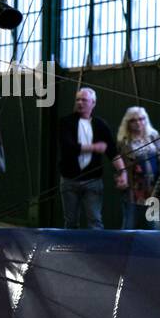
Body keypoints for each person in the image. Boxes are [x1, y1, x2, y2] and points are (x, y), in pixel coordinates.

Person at [57, 87, 115, 229]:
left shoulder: (100, 125)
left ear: (93, 103)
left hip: (93, 181)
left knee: (95, 220)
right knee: (70, 221)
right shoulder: (66, 122)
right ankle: (70, 249)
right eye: (78, 99)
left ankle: (98, 249)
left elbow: (112, 151)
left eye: (84, 100)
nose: (80, 102)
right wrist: (95, 147)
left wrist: (123, 172)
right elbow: (68, 147)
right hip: (69, 180)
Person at [113, 106, 160, 230]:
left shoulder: (153, 136)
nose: (138, 123)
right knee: (129, 225)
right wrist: (120, 178)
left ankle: (158, 249)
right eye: (134, 120)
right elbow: (118, 164)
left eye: (141, 119)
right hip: (132, 190)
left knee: (154, 226)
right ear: (128, 123)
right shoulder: (123, 142)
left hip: (153, 188)